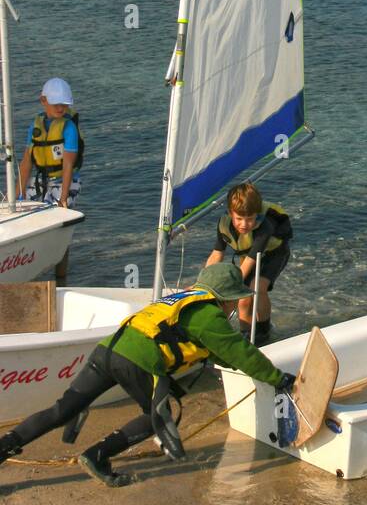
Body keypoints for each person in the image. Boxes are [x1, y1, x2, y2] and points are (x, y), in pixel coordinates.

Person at [0, 264, 293, 487]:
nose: (233, 306)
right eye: (234, 300)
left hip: (107, 350)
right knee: (163, 413)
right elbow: (240, 352)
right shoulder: (210, 314)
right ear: (225, 298)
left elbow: (212, 350)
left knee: (63, 409)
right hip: (136, 361)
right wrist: (277, 378)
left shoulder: (183, 299)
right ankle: (98, 455)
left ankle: (5, 445)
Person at [205, 181, 293, 344]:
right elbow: (217, 254)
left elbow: (251, 260)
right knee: (244, 298)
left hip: (274, 254)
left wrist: (231, 287)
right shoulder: (223, 224)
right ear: (230, 213)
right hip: (249, 256)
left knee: (256, 288)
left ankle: (263, 331)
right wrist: (204, 284)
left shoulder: (264, 226)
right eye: (239, 219)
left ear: (257, 214)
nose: (244, 224)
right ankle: (245, 333)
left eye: (250, 219)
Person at [17, 78, 83, 282]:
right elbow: (27, 161)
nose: (61, 108)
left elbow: (68, 165)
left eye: (64, 104)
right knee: (27, 222)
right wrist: (18, 194)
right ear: (43, 100)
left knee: (59, 229)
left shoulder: (68, 128)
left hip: (63, 181)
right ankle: (30, 268)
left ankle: (60, 277)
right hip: (39, 180)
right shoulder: (36, 125)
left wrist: (63, 198)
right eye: (56, 104)